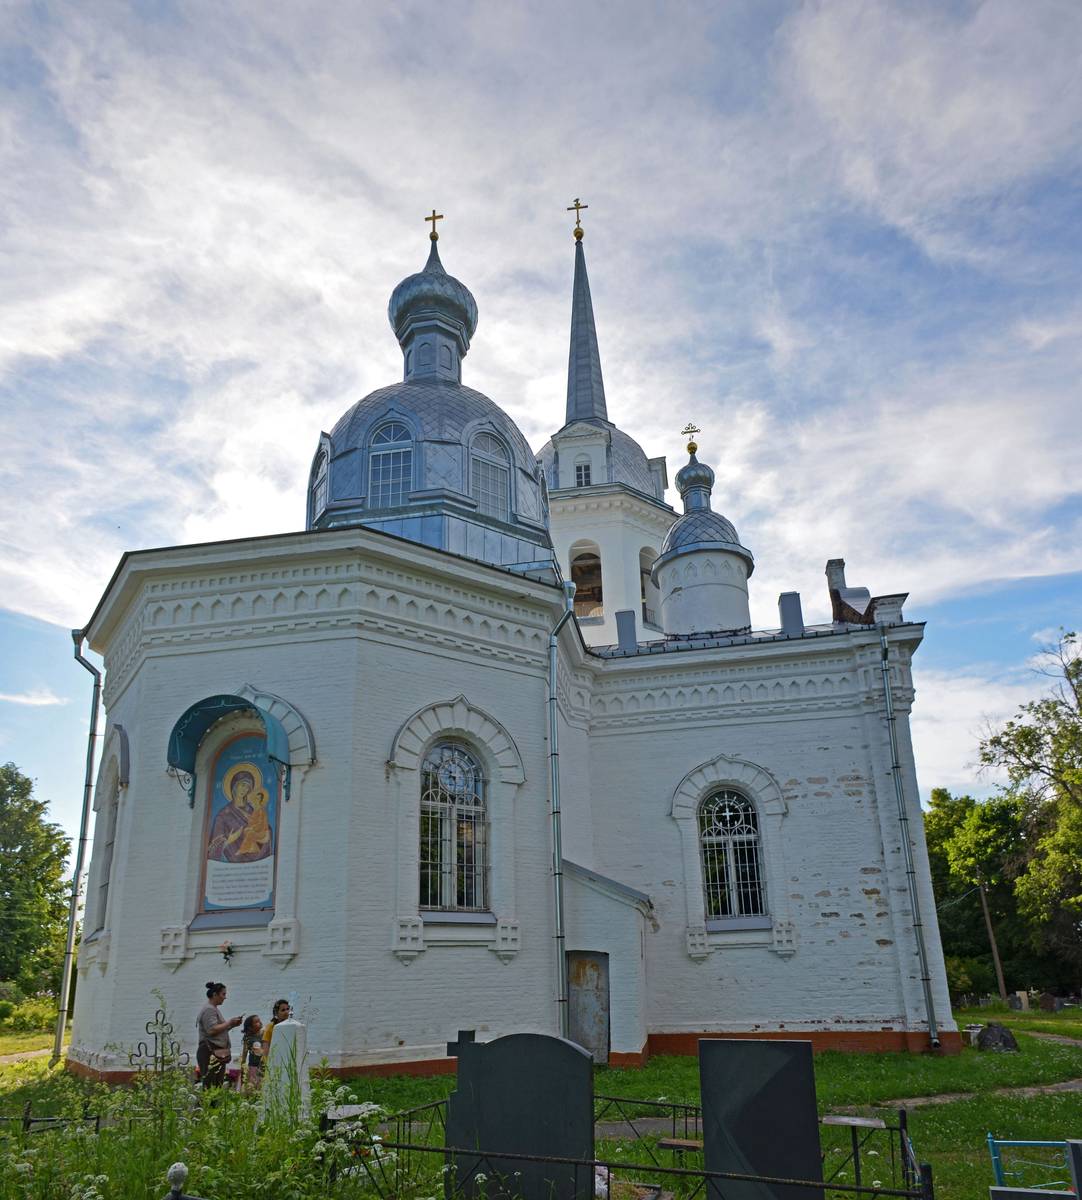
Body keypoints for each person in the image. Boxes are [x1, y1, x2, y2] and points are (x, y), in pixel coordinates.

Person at [196, 981, 242, 1087]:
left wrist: (232, 1025)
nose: (225, 997)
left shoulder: (213, 1009)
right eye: (223, 994)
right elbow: (211, 1030)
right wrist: (229, 1022)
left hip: (215, 1052)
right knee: (211, 1085)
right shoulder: (209, 1009)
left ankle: (213, 1104)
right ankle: (207, 1104)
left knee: (216, 1085)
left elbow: (218, 1031)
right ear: (215, 994)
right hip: (209, 1051)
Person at [240, 1014, 265, 1088]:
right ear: (250, 1027)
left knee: (261, 1085)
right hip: (253, 1066)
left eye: (259, 1020)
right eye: (256, 1022)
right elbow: (244, 1053)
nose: (260, 1022)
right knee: (252, 1086)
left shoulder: (264, 1033)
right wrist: (242, 1066)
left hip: (263, 1065)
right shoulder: (248, 1038)